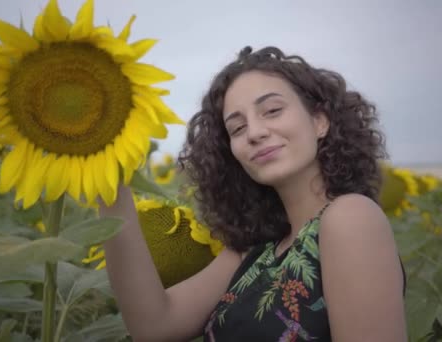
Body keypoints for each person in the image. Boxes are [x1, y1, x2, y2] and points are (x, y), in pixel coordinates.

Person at [100, 46, 407, 341]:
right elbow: (154, 326)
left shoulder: (350, 217)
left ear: (320, 121)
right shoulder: (256, 251)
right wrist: (109, 180)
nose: (255, 132)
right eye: (237, 128)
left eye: (272, 111)